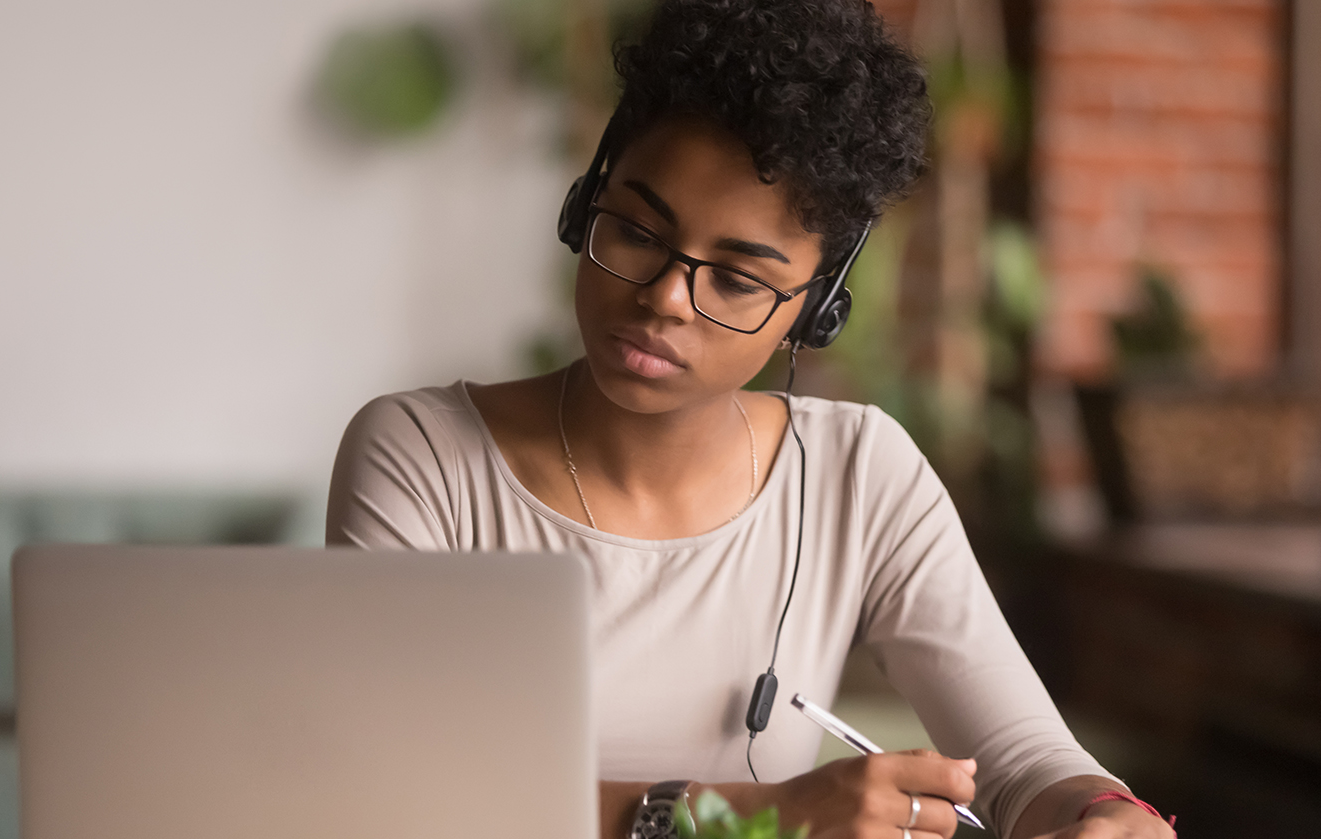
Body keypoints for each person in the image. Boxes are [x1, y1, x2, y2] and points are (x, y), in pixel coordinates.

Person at [326, 1, 1176, 837]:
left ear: (813, 313)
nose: (663, 297)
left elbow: (1026, 761)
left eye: (736, 279)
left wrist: (1103, 813)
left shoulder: (859, 473)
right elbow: (386, 785)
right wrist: (744, 813)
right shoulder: (422, 455)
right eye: (634, 231)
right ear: (585, 203)